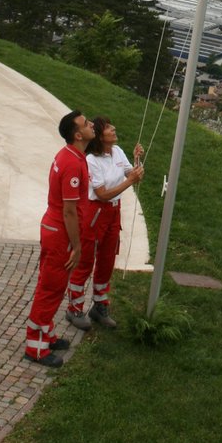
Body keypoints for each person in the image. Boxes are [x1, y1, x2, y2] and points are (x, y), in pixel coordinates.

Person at [24, 108, 95, 367]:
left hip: (54, 230)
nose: (91, 125)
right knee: (50, 289)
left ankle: (48, 334)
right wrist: (76, 245)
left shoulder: (70, 155)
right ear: (78, 134)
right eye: (86, 124)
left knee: (53, 285)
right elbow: (69, 210)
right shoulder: (73, 162)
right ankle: (36, 347)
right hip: (60, 234)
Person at [66, 117, 144, 330]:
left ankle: (100, 305)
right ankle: (74, 307)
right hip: (95, 213)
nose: (114, 129)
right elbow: (101, 194)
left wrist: (137, 164)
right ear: (101, 136)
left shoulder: (117, 151)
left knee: (107, 259)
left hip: (113, 213)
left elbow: (131, 173)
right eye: (110, 127)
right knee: (85, 261)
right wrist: (130, 182)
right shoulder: (91, 160)